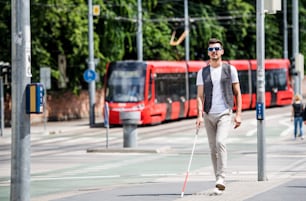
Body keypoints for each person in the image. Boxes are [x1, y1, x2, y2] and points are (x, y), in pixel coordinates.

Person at [195, 38, 242, 193]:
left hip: (224, 113)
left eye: (216, 49)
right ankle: (218, 179)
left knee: (220, 142)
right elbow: (200, 96)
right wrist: (199, 115)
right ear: (208, 53)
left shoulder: (230, 70)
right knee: (212, 148)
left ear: (222, 51)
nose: (213, 51)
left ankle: (222, 177)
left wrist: (238, 114)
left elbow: (237, 93)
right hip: (208, 114)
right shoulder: (202, 72)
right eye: (211, 49)